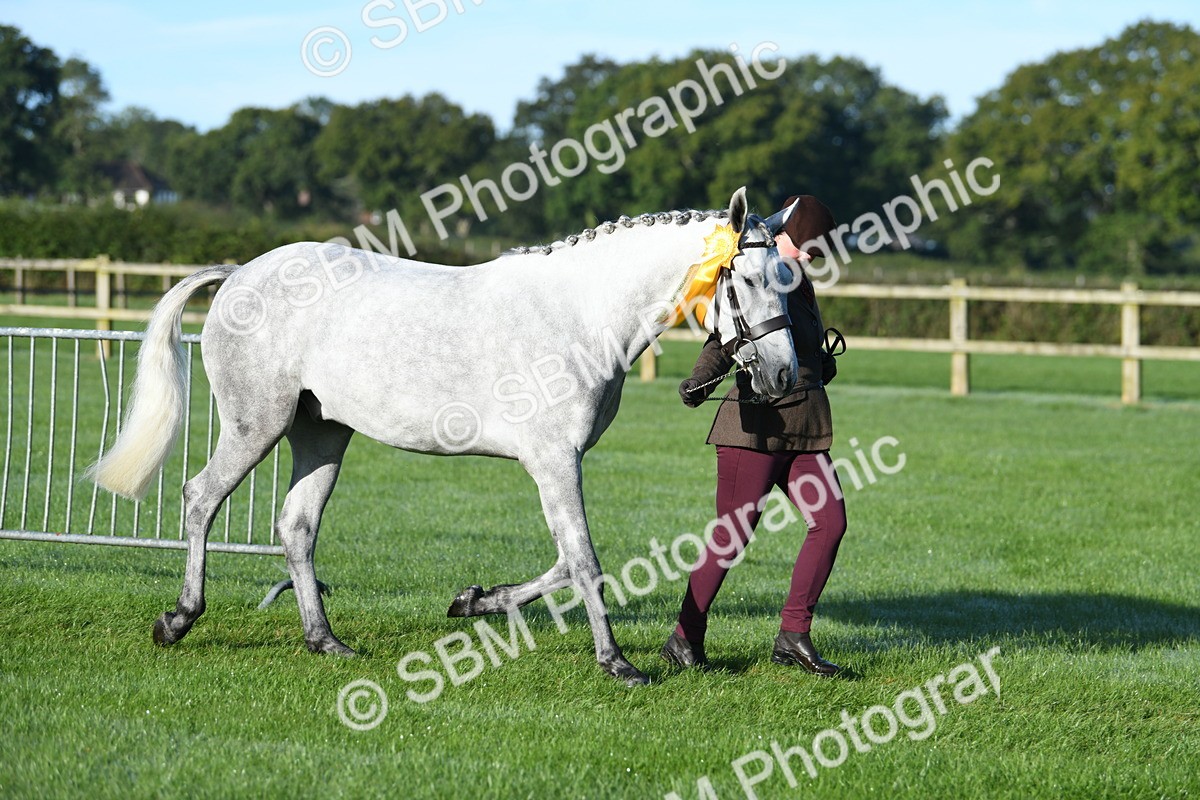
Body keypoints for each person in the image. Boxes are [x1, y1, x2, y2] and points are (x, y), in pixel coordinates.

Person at [661, 195, 847, 677]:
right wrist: (700, 380)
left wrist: (819, 363)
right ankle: (685, 637)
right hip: (754, 428)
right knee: (732, 536)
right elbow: (723, 338)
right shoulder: (756, 272)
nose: (811, 258)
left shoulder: (798, 282)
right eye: (809, 248)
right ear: (788, 237)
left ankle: (793, 635)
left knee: (830, 521)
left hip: (804, 426)